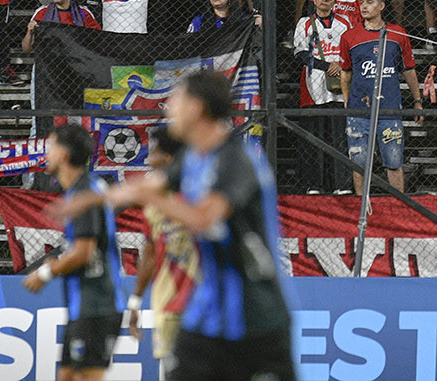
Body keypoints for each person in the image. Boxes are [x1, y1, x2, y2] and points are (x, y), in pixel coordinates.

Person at [82, 71, 296, 381]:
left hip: (257, 320)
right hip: (203, 319)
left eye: (176, 100)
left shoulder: (238, 160)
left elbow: (206, 218)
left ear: (197, 108)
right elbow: (140, 190)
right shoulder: (190, 161)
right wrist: (89, 202)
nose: (169, 108)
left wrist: (145, 196)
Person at [22, 123, 123, 381]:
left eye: (51, 146)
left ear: (64, 154)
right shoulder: (84, 189)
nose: (46, 152)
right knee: (66, 376)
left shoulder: (84, 194)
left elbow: (83, 253)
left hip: (97, 306)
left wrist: (46, 272)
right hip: (87, 306)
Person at [338, 0, 424, 196]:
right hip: (359, 109)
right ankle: (361, 204)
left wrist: (417, 100)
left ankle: (398, 205)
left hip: (389, 107)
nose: (364, 7)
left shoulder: (398, 34)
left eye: (369, 2)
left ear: (382, 5)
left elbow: (409, 69)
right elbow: (345, 72)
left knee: (393, 160)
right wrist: (348, 101)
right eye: (361, 3)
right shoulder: (349, 37)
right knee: (359, 160)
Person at [125, 126, 197, 373]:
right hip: (167, 306)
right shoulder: (153, 206)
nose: (149, 158)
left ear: (168, 157)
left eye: (153, 152)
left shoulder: (202, 195)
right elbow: (150, 254)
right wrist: (135, 301)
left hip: (203, 307)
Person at [292, 0, 352, 194]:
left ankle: (341, 184)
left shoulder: (344, 22)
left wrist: (340, 66)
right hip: (313, 85)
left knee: (339, 136)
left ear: (334, 1)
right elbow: (300, 54)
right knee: (313, 137)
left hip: (338, 86)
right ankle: (313, 184)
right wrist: (329, 66)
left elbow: (351, 49)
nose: (324, 1)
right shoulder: (305, 22)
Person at [23, 0, 100, 53]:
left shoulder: (83, 13)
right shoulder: (42, 12)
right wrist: (30, 32)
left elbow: (98, 42)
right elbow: (26, 49)